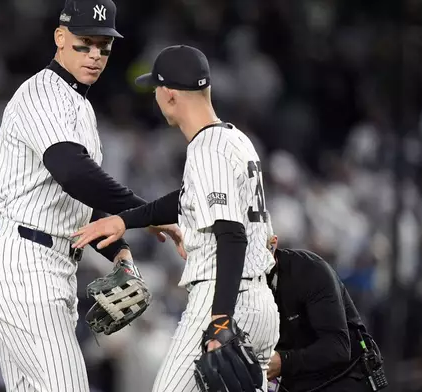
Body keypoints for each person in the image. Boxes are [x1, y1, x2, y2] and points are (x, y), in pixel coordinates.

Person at [0, 1, 182, 391]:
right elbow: (72, 172)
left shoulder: (79, 105)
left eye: (104, 46)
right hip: (22, 262)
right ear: (60, 38)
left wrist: (118, 250)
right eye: (85, 44)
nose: (95, 55)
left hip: (52, 264)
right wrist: (145, 212)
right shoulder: (42, 92)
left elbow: (77, 202)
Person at [72, 44, 279, 392]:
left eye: (155, 89)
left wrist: (220, 321)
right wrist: (125, 220)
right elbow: (184, 200)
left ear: (169, 95)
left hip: (222, 300)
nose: (154, 97)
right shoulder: (236, 139)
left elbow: (231, 235)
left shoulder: (206, 148)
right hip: (260, 308)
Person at [266, 236, 385, 392]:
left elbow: (337, 347)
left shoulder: (309, 270)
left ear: (273, 244)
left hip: (341, 379)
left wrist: (284, 361)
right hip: (290, 382)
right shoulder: (236, 286)